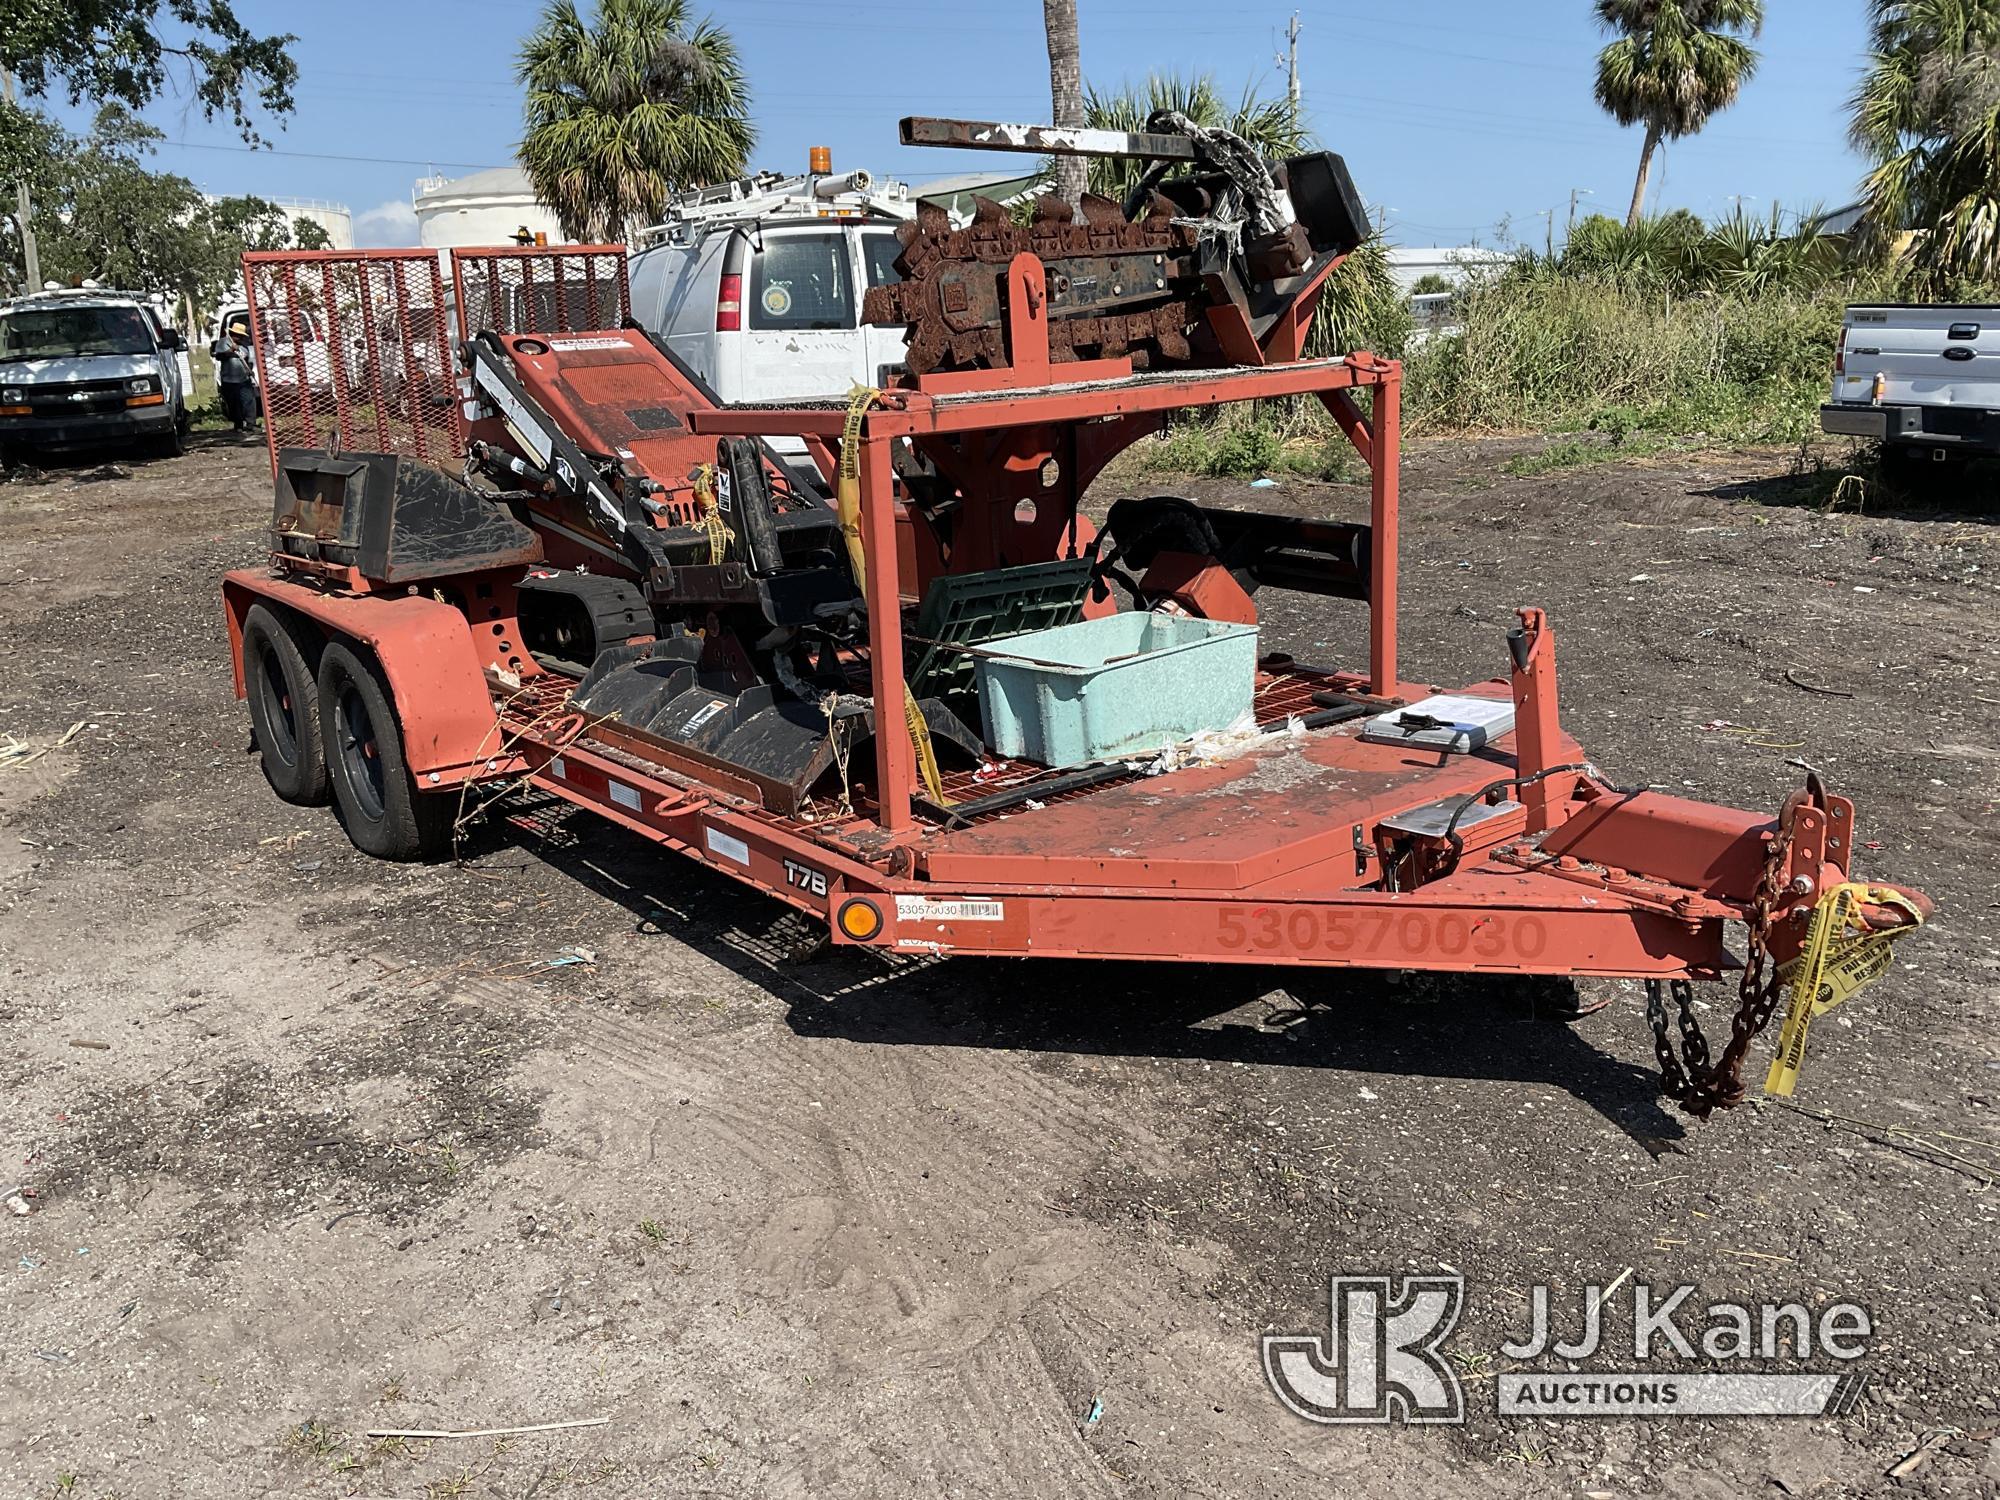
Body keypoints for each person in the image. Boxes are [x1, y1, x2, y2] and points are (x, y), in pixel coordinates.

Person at [209, 318, 259, 434]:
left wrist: (250, 370)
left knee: (249, 401)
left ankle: (251, 424)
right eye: (239, 336)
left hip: (243, 379)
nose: (241, 338)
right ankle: (238, 425)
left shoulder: (244, 347)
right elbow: (219, 356)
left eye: (242, 336)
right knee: (234, 404)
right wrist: (231, 350)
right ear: (233, 334)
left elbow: (246, 360)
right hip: (229, 380)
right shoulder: (223, 342)